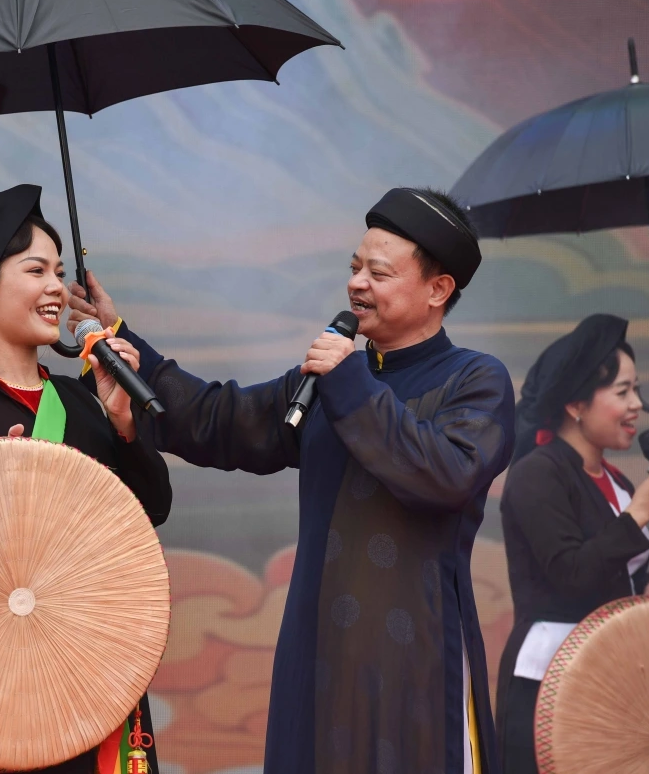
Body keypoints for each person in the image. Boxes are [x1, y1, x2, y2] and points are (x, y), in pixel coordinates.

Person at [69, 188, 515, 774]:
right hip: (317, 648)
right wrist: (125, 346)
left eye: (378, 273)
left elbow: (444, 475)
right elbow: (219, 420)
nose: (356, 284)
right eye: (354, 267)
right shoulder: (330, 378)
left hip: (414, 658)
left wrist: (349, 381)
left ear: (438, 289)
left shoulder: (475, 380)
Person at [0, 184, 172, 774]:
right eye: (35, 270)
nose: (56, 288)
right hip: (3, 689)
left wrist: (125, 424)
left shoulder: (81, 399)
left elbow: (152, 508)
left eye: (59, 272)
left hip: (98, 675)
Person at [495, 316, 649, 774]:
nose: (636, 405)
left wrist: (645, 586)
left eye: (635, 391)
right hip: (548, 679)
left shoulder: (616, 480)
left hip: (610, 670)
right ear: (576, 404)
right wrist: (639, 514)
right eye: (622, 392)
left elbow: (607, 566)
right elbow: (570, 573)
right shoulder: (536, 473)